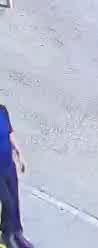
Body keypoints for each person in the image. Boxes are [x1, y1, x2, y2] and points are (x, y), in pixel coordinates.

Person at [0, 103, 32, 248]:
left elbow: (10, 133)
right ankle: (7, 235)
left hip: (8, 166)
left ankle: (18, 233)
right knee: (8, 203)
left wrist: (20, 155)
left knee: (15, 200)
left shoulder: (3, 110)